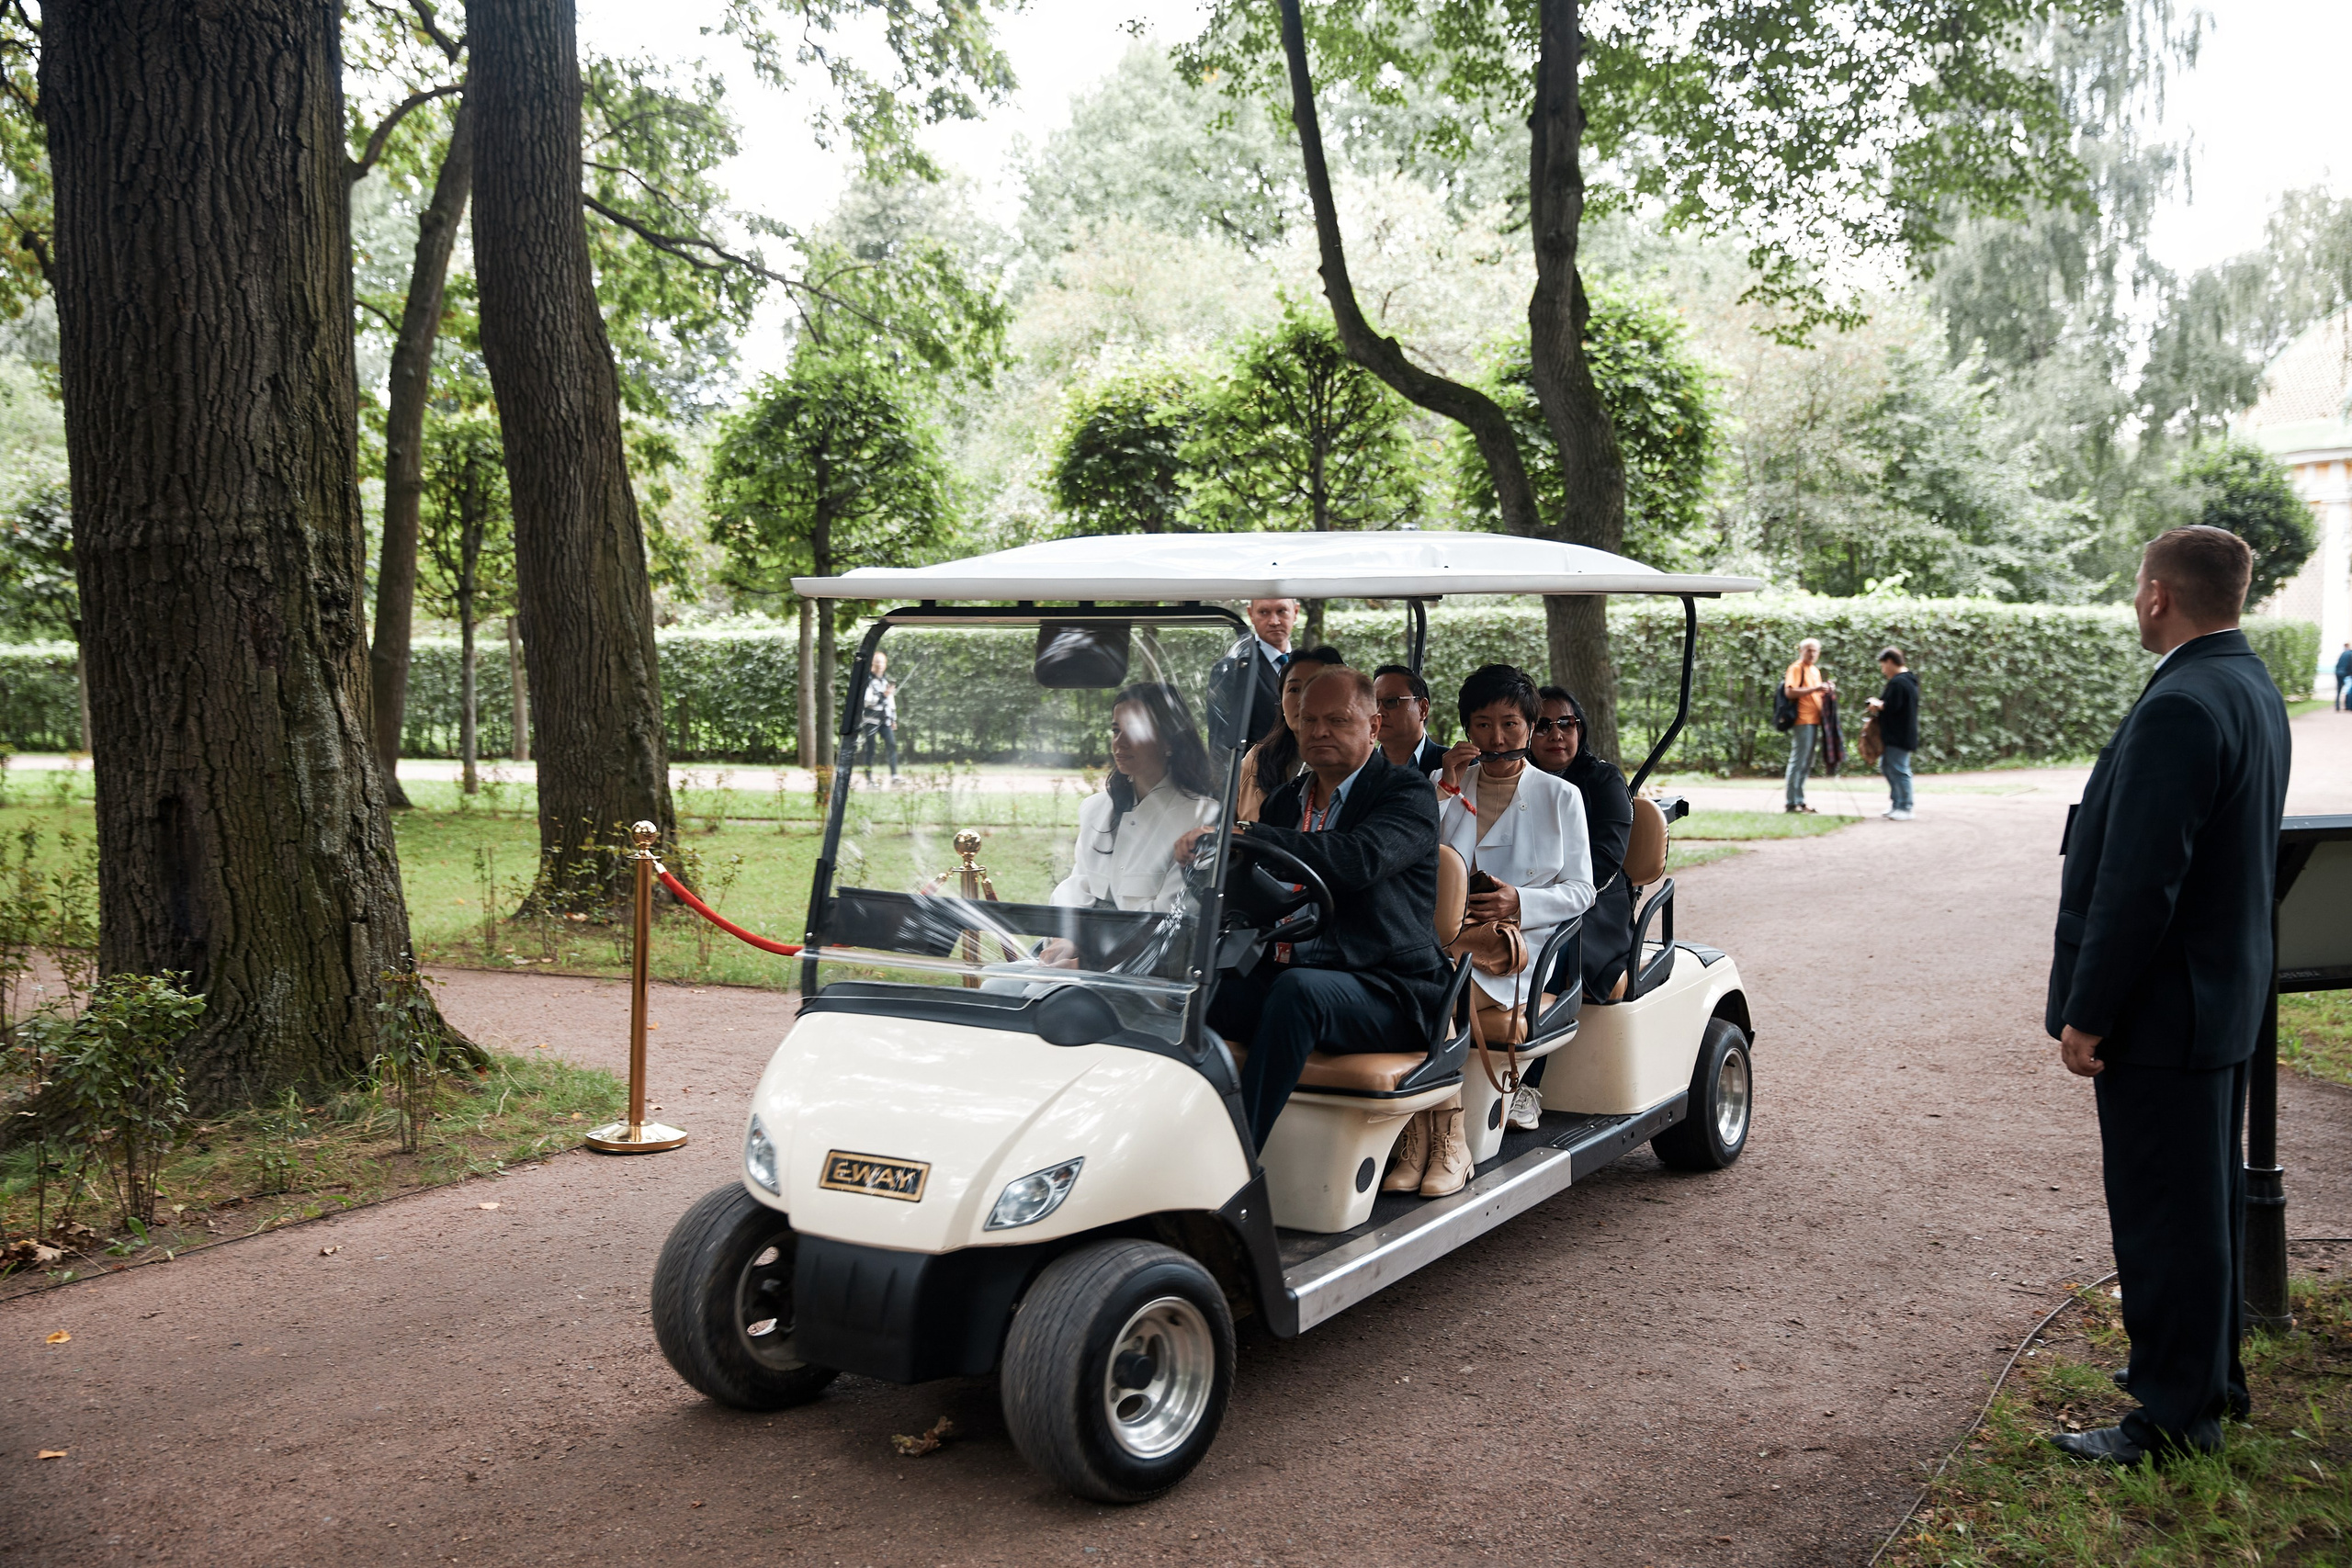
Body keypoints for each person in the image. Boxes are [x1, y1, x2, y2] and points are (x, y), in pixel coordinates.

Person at [2044, 525, 2291, 1468]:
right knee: (2202, 1205)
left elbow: (2142, 883)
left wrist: (2087, 1012)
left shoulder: (2183, 701)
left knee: (2162, 1214)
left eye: (2136, 588)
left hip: (2162, 1013)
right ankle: (2208, 1376)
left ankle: (2173, 1418)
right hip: (2217, 999)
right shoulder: (2249, 684)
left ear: (2157, 594)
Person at [1179, 667, 1450, 1161]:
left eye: (1337, 720)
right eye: (1308, 720)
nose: (1319, 731)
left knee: (1297, 992)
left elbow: (1359, 859)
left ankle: (1233, 1164)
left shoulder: (1405, 795)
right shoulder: (1285, 802)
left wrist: (1248, 834)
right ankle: (1171, 1141)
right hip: (1293, 971)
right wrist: (1209, 864)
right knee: (1197, 993)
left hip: (1390, 988)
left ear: (1373, 727)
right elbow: (1254, 886)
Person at [1419, 666, 1594, 1159]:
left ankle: (1443, 1128)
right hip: (1446, 933)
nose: (1496, 738)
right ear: (1466, 729)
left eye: (1510, 725)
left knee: (1430, 986)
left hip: (1523, 941)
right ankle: (1428, 1124)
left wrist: (1519, 901)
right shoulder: (1442, 782)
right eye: (1482, 724)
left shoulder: (1561, 795)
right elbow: (1411, 857)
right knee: (1415, 975)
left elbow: (1582, 891)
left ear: (1529, 728)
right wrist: (1441, 793)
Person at [1047, 683, 1219, 918]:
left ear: (1169, 741)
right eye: (1116, 730)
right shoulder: (1095, 809)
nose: (1120, 742)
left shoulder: (1201, 816)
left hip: (1148, 952)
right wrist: (1065, 939)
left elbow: (1172, 915)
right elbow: (1076, 886)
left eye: (1135, 729)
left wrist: (1084, 950)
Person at [1532, 682, 1636, 1017]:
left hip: (1592, 907)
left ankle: (1528, 1060)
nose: (1556, 734)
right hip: (1525, 900)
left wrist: (1540, 896)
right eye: (1543, 726)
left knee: (1540, 959)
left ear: (1580, 727)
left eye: (1566, 723)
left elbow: (1605, 860)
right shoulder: (1515, 783)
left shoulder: (1603, 780)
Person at [1236, 646, 1344, 821]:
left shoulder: (1355, 763)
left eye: (1313, 687)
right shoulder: (1257, 760)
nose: (1302, 700)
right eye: (1294, 690)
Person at [1781, 638, 1835, 814]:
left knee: (1806, 763)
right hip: (1802, 720)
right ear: (1801, 650)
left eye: (1815, 651)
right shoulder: (1796, 668)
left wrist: (1825, 689)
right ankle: (1791, 802)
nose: (1812, 654)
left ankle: (1800, 801)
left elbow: (1817, 692)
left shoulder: (1814, 670)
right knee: (1798, 761)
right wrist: (1815, 689)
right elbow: (1789, 692)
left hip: (1815, 721)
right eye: (1808, 650)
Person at [1238, 597, 1300, 747]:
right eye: (1264, 612)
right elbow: (1222, 744)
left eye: (1281, 611)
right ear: (1250, 614)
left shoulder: (1305, 665)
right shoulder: (1236, 667)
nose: (1274, 621)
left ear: (1295, 612)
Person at [1867, 648, 1919, 821]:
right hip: (1899, 734)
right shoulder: (1909, 680)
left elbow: (1892, 707)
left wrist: (1878, 704)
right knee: (1888, 767)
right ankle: (1897, 803)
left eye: (1883, 665)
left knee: (1899, 769)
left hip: (1899, 735)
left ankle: (1905, 806)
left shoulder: (1899, 682)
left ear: (1889, 661)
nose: (1883, 670)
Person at [1372, 665, 1449, 776]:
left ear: (1422, 709)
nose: (1379, 712)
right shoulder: (1356, 768)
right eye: (1374, 703)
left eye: (1391, 701)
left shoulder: (1455, 767)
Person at [857, 651, 899, 784]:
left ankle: (894, 776)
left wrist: (893, 718)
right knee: (871, 748)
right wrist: (883, 695)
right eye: (878, 662)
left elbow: (891, 702)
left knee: (892, 744)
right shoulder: (868, 681)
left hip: (885, 720)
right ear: (872, 664)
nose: (880, 665)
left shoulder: (886, 681)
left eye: (882, 662)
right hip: (871, 720)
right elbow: (866, 701)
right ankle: (869, 778)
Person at [2335, 641, 2351, 711]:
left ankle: (2337, 706)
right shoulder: (2350, 654)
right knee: (2349, 690)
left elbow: (2338, 664)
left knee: (2339, 690)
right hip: (2346, 674)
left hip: (2338, 673)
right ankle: (2349, 706)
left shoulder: (2342, 654)